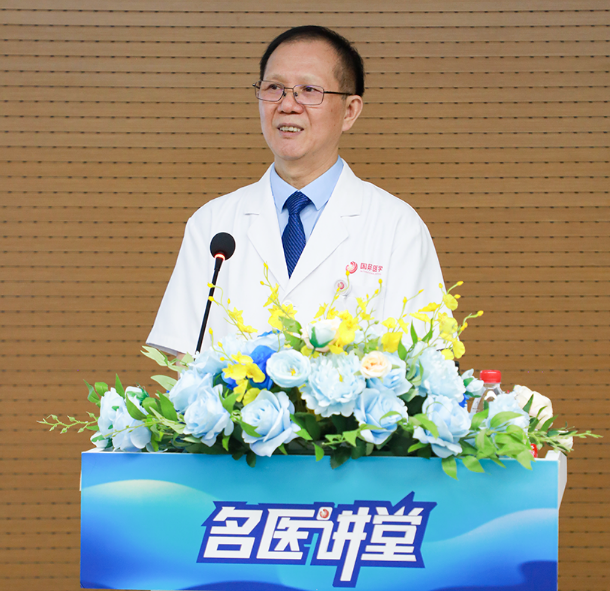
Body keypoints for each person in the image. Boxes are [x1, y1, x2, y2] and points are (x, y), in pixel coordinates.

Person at [147, 26, 447, 357]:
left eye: (309, 90)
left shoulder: (398, 227)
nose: (287, 105)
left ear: (349, 111)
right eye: (274, 88)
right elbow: (183, 364)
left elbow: (424, 364)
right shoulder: (212, 224)